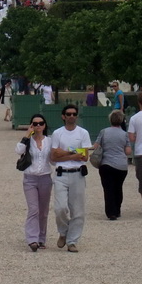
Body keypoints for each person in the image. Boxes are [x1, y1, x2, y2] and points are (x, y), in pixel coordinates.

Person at [49, 104, 91, 251]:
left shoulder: (83, 133)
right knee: (60, 208)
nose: (71, 116)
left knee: (78, 210)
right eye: (68, 114)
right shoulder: (57, 133)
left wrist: (64, 152)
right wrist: (73, 154)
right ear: (63, 116)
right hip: (61, 173)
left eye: (74, 114)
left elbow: (84, 156)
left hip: (78, 174)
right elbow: (53, 156)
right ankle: (64, 231)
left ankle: (72, 240)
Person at [16, 113, 52, 251]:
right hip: (30, 178)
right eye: (35, 124)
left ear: (44, 125)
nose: (38, 126)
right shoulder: (28, 141)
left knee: (43, 211)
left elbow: (53, 158)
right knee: (34, 209)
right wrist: (27, 134)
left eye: (40, 123)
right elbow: (18, 150)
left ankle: (41, 238)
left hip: (45, 177)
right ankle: (32, 239)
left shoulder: (49, 141)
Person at [92, 110, 131, 220]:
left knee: (108, 189)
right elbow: (128, 151)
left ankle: (111, 212)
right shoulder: (124, 134)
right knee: (118, 188)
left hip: (107, 164)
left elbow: (96, 146)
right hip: (121, 166)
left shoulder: (104, 132)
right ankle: (117, 209)